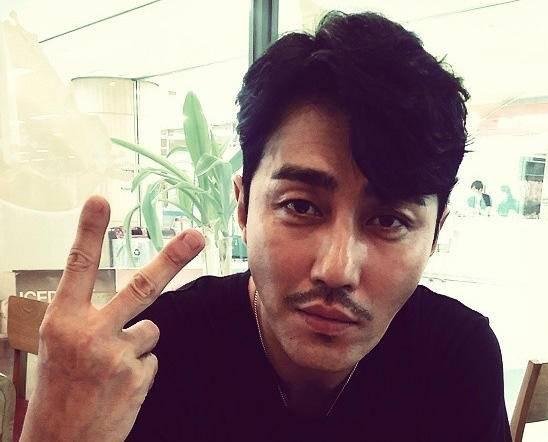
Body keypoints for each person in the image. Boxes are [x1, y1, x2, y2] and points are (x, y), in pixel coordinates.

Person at [20, 11, 511, 442]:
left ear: (436, 232)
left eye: (388, 220)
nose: (337, 269)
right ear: (242, 206)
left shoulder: (455, 358)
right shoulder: (147, 357)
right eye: (301, 206)